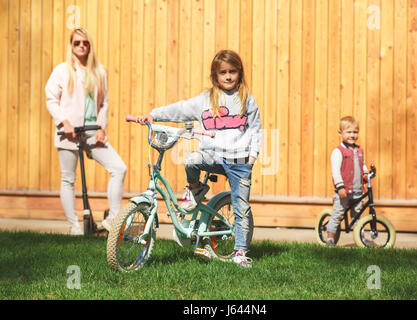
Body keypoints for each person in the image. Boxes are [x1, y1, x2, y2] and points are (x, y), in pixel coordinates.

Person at [135, 50, 262, 267]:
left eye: (233, 71)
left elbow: (256, 130)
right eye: (223, 72)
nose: (228, 76)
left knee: (241, 208)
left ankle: (240, 252)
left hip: (240, 162)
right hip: (212, 155)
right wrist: (154, 115)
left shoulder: (246, 101)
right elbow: (180, 109)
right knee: (192, 158)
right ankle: (195, 189)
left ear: (240, 74)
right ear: (215, 76)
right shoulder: (205, 100)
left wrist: (252, 157)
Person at [45, 28, 127, 235]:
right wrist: (64, 122)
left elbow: (104, 103)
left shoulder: (99, 72)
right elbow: (51, 100)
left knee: (119, 168)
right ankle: (74, 226)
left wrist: (101, 127)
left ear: (90, 45)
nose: (81, 46)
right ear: (71, 46)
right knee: (68, 179)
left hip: (92, 131)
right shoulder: (62, 71)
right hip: (69, 133)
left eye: (85, 43)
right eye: (77, 43)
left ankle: (113, 220)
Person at [327, 116, 369, 246]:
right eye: (348, 132)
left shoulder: (359, 150)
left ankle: (361, 238)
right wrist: (340, 187)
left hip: (357, 190)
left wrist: (366, 174)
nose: (352, 135)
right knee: (337, 214)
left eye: (355, 132)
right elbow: (336, 171)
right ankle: (330, 238)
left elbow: (362, 165)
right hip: (344, 191)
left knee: (357, 216)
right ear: (340, 133)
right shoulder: (338, 152)